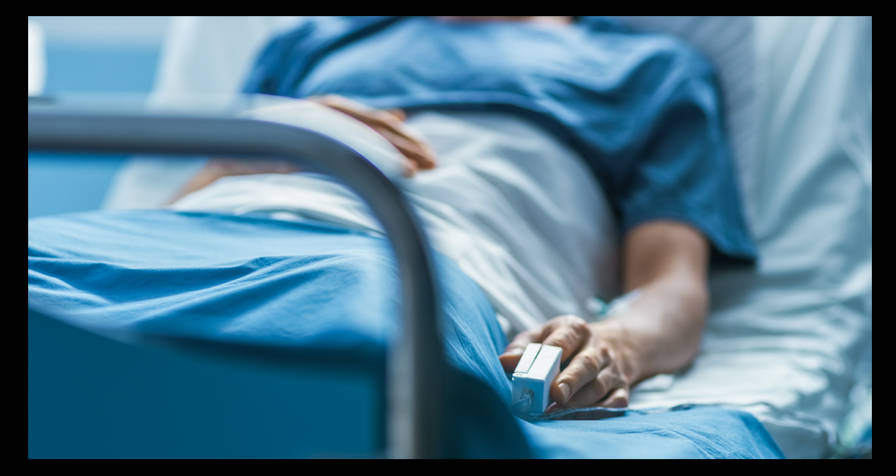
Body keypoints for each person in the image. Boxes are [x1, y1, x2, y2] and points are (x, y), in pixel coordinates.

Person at [168, 16, 757, 413]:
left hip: (411, 262)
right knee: (79, 288)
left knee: (317, 357)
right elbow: (169, 212)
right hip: (197, 238)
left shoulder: (650, 69)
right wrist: (255, 147)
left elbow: (670, 283)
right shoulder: (313, 41)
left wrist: (616, 343)